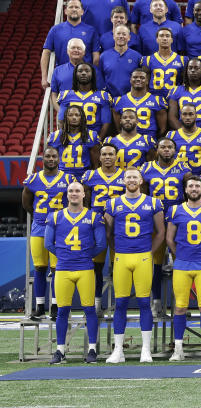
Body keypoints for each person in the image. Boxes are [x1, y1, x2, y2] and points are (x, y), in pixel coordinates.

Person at [103, 168, 165, 363]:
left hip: (143, 258)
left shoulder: (153, 202)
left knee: (144, 303)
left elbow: (161, 232)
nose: (131, 180)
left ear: (141, 180)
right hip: (122, 257)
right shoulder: (113, 203)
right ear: (123, 181)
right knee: (120, 303)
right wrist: (117, 250)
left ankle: (145, 350)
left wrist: (149, 252)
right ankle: (118, 350)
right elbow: (108, 233)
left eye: (134, 177)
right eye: (128, 177)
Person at [45, 181, 106, 364]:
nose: (74, 193)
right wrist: (65, 255)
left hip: (85, 268)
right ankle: (60, 351)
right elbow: (48, 243)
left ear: (84, 194)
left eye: (77, 190)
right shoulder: (55, 216)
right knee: (62, 310)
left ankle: (93, 350)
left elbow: (101, 244)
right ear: (67, 193)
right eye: (71, 190)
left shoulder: (93, 216)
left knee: (89, 310)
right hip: (63, 268)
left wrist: (84, 256)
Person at [164, 175, 201, 362]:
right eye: (191, 186)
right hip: (182, 264)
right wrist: (179, 255)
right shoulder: (175, 210)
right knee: (180, 306)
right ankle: (178, 349)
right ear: (186, 190)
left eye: (197, 186)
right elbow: (169, 239)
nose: (194, 189)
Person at [22, 148, 73, 321]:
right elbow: (26, 203)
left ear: (59, 158)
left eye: (54, 156)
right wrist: (38, 216)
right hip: (39, 228)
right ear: (42, 158)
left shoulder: (67, 179)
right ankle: (39, 307)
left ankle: (55, 306)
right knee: (39, 268)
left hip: (60, 229)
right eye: (48, 156)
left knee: (56, 269)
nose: (51, 159)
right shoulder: (34, 179)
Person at [80, 142, 124, 312]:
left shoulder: (125, 176)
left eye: (110, 154)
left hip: (118, 228)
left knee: (118, 268)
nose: (107, 157)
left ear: (116, 156)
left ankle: (118, 303)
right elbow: (85, 201)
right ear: (99, 157)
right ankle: (97, 302)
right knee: (96, 267)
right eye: (104, 154)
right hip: (96, 227)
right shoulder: (90, 176)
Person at [40, 0, 98, 88]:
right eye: (71, 7)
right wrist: (44, 78)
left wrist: (94, 74)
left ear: (82, 11)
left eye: (77, 7)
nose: (74, 9)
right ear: (65, 11)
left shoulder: (91, 30)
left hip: (85, 77)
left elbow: (96, 55)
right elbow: (46, 53)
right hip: (63, 76)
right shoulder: (55, 30)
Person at [54, 62, 112, 138]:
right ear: (75, 74)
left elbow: (106, 123)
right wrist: (67, 139)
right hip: (71, 137)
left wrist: (98, 141)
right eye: (80, 71)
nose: (83, 73)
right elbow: (61, 121)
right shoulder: (66, 95)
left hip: (93, 137)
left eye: (87, 71)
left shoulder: (102, 96)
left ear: (92, 74)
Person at [47, 104, 100, 180]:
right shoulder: (55, 136)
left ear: (82, 118)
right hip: (62, 177)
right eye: (70, 115)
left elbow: (96, 164)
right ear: (66, 117)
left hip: (83, 176)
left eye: (77, 115)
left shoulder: (91, 135)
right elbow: (51, 161)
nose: (74, 118)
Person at [168, 58, 201, 133]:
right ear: (186, 71)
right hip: (182, 133)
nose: (193, 70)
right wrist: (183, 133)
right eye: (190, 68)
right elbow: (172, 118)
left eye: (196, 68)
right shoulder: (176, 90)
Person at [113, 67, 168, 139]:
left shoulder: (157, 100)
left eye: (142, 78)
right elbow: (118, 128)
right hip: (127, 141)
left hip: (149, 142)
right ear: (130, 80)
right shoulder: (118, 101)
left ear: (147, 81)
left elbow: (162, 129)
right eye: (135, 77)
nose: (138, 79)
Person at [100, 24, 142, 98]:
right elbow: (100, 78)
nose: (121, 36)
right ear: (113, 36)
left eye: (124, 34)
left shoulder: (137, 57)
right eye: (118, 34)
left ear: (129, 37)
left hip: (131, 99)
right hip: (109, 99)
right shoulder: (104, 56)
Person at [141, 27, 186, 97]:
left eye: (167, 36)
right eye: (161, 36)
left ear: (172, 40)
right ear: (157, 40)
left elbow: (184, 84)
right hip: (154, 99)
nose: (164, 38)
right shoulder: (147, 60)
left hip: (174, 98)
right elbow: (145, 84)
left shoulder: (182, 60)